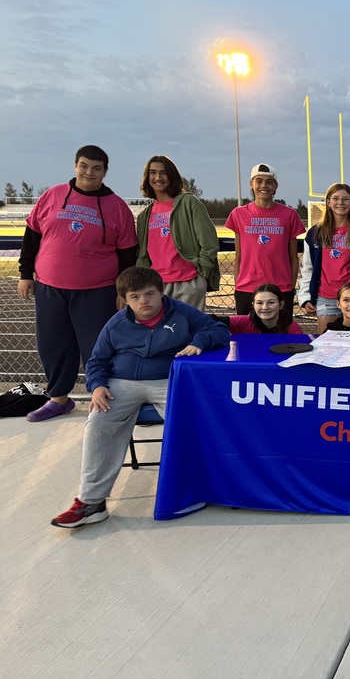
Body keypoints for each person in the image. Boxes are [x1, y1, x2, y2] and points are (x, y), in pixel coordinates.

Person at [50, 267, 230, 528]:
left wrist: (200, 341)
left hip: (168, 379)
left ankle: (200, 488)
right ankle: (91, 502)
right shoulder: (116, 324)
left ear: (161, 292)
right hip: (121, 384)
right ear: (125, 299)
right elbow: (97, 360)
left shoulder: (181, 312)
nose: (144, 301)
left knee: (196, 422)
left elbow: (219, 331)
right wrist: (97, 385)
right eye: (135, 297)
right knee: (98, 422)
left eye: (150, 294)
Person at [18, 145, 138, 422]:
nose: (89, 172)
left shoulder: (116, 206)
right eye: (84, 166)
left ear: (105, 172)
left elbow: (127, 255)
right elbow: (32, 236)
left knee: (98, 346)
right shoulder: (53, 195)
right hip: (50, 285)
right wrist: (26, 273)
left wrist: (123, 291)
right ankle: (59, 398)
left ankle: (103, 396)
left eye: (96, 168)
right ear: (75, 166)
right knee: (52, 343)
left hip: (97, 288)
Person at [135, 154, 220, 311]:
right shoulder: (144, 216)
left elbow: (209, 242)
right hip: (156, 286)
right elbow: (143, 256)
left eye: (163, 172)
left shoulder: (188, 203)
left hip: (188, 282)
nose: (158, 177)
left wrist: (202, 275)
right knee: (162, 334)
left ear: (171, 176)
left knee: (188, 333)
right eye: (153, 172)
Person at [297, 182, 350, 333]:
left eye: (345, 199)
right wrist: (305, 297)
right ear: (328, 202)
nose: (340, 203)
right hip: (326, 298)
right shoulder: (315, 233)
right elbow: (307, 269)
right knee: (327, 347)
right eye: (335, 198)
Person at [225, 163, 306, 323]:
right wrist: (238, 285)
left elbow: (293, 257)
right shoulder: (239, 214)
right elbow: (239, 255)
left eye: (269, 182)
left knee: (280, 337)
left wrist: (290, 287)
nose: (264, 186)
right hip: (247, 287)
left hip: (280, 287)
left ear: (275, 186)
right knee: (247, 337)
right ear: (251, 184)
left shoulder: (289, 215)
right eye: (259, 181)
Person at [212, 283, 303, 335]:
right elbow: (208, 321)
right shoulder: (244, 322)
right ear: (253, 305)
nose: (265, 307)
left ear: (280, 305)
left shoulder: (292, 329)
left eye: (271, 302)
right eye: (259, 303)